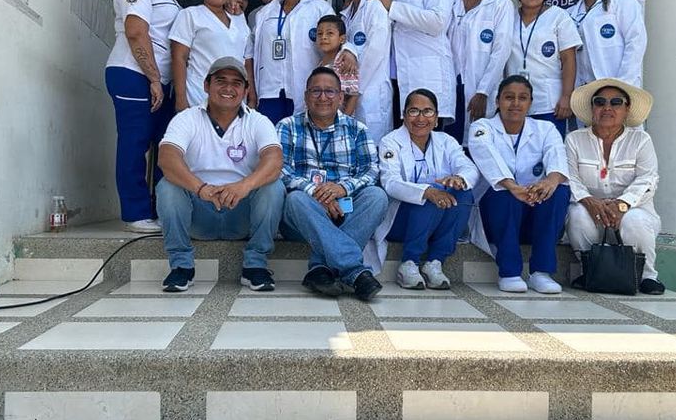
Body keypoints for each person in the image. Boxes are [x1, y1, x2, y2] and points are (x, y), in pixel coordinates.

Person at [157, 57, 285, 293]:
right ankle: (181, 266)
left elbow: (274, 160)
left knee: (274, 186)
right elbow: (166, 157)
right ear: (206, 85)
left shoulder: (258, 121)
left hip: (241, 212)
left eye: (236, 83)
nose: (228, 88)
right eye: (221, 81)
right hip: (199, 211)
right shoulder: (186, 118)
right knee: (167, 185)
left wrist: (243, 186)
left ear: (246, 90)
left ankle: (255, 265)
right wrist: (200, 188)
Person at [278, 68, 387, 301]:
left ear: (340, 97)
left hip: (344, 209)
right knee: (295, 199)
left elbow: (372, 170)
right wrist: (316, 193)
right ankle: (355, 271)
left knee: (377, 197)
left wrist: (342, 189)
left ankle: (320, 269)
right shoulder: (287, 126)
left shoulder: (357, 129)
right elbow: (279, 169)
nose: (323, 97)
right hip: (305, 214)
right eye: (316, 91)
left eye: (330, 91)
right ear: (306, 96)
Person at [105, 0, 181, 233]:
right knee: (134, 143)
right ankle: (135, 213)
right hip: (133, 74)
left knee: (163, 144)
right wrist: (153, 78)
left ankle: (159, 209)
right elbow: (136, 32)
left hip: (155, 80)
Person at [469, 75, 570, 293]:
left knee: (558, 191)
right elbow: (487, 157)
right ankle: (509, 272)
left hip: (533, 213)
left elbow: (557, 157)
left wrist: (549, 182)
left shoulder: (545, 129)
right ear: (497, 101)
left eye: (522, 98)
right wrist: (514, 188)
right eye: (509, 97)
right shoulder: (482, 127)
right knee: (503, 193)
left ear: (530, 103)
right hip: (497, 215)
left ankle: (541, 272)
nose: (515, 103)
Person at [565, 78, 664, 295]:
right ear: (592, 108)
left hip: (632, 212)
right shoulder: (574, 140)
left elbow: (648, 179)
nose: (607, 108)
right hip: (593, 213)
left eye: (616, 102)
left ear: (627, 109)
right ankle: (589, 270)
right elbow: (569, 178)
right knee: (576, 214)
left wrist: (622, 204)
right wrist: (589, 201)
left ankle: (647, 276)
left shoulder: (641, 140)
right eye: (600, 102)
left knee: (635, 220)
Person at [376, 90, 480, 290]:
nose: (421, 118)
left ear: (436, 117)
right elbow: (390, 182)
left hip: (438, 220)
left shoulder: (446, 141)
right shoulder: (390, 141)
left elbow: (468, 168)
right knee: (431, 196)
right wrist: (427, 192)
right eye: (414, 111)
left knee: (464, 193)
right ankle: (409, 263)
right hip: (401, 221)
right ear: (404, 115)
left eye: (428, 111)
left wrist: (459, 179)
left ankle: (435, 262)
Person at [246, 0, 357, 124]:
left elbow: (338, 37)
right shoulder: (264, 14)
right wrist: (252, 96)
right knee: (270, 138)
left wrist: (349, 51)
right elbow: (250, 54)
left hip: (307, 92)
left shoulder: (320, 8)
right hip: (269, 93)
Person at [370, 0, 455, 126]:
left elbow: (437, 22)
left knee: (430, 141)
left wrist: (392, 7)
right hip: (403, 83)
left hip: (430, 82)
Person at [447, 0, 515, 145]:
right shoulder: (453, 0)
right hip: (451, 86)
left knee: (479, 144)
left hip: (480, 88)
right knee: (451, 145)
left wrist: (483, 91)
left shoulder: (501, 4)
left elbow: (501, 51)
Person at [506, 0, 582, 139]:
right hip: (514, 103)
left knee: (550, 150)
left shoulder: (559, 16)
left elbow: (569, 60)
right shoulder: (508, 16)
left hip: (549, 103)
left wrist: (566, 96)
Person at [169, 0, 250, 112]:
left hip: (235, 101)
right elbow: (178, 58)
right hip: (198, 97)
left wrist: (251, 97)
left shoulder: (239, 19)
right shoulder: (190, 15)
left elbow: (247, 60)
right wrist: (181, 99)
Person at [568, 0, 647, 88]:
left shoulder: (622, 1)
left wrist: (622, 84)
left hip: (620, 88)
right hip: (584, 92)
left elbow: (636, 43)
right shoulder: (570, 14)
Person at [338, 0, 393, 143]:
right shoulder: (347, 12)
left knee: (371, 146)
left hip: (371, 92)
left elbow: (375, 52)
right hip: (351, 91)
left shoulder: (374, 7)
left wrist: (355, 90)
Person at [315, 14, 358, 116]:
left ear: (342, 39)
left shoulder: (343, 63)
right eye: (320, 34)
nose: (323, 37)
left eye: (330, 33)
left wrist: (344, 121)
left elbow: (353, 96)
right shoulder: (321, 63)